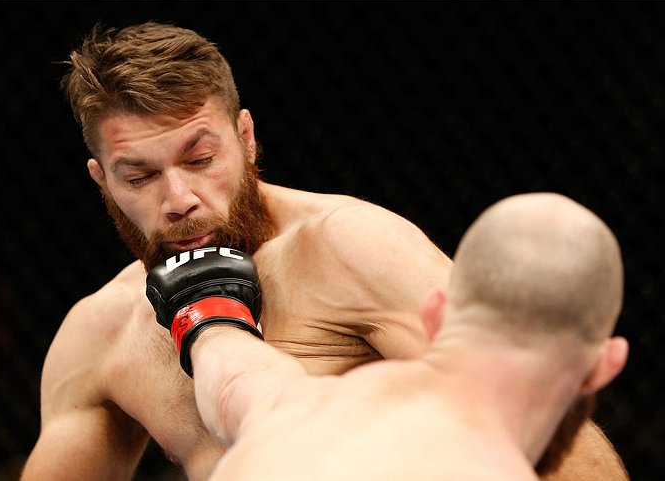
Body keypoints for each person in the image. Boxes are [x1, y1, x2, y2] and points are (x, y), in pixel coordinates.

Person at [20, 22, 627, 480]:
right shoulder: (98, 333)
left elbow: (571, 455)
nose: (179, 198)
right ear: (102, 182)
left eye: (200, 160)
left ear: (247, 138)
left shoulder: (350, 246)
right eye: (140, 177)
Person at [172, 193, 629, 480]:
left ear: (434, 314)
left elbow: (232, 379)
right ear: (604, 364)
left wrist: (211, 321)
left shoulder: (293, 407)